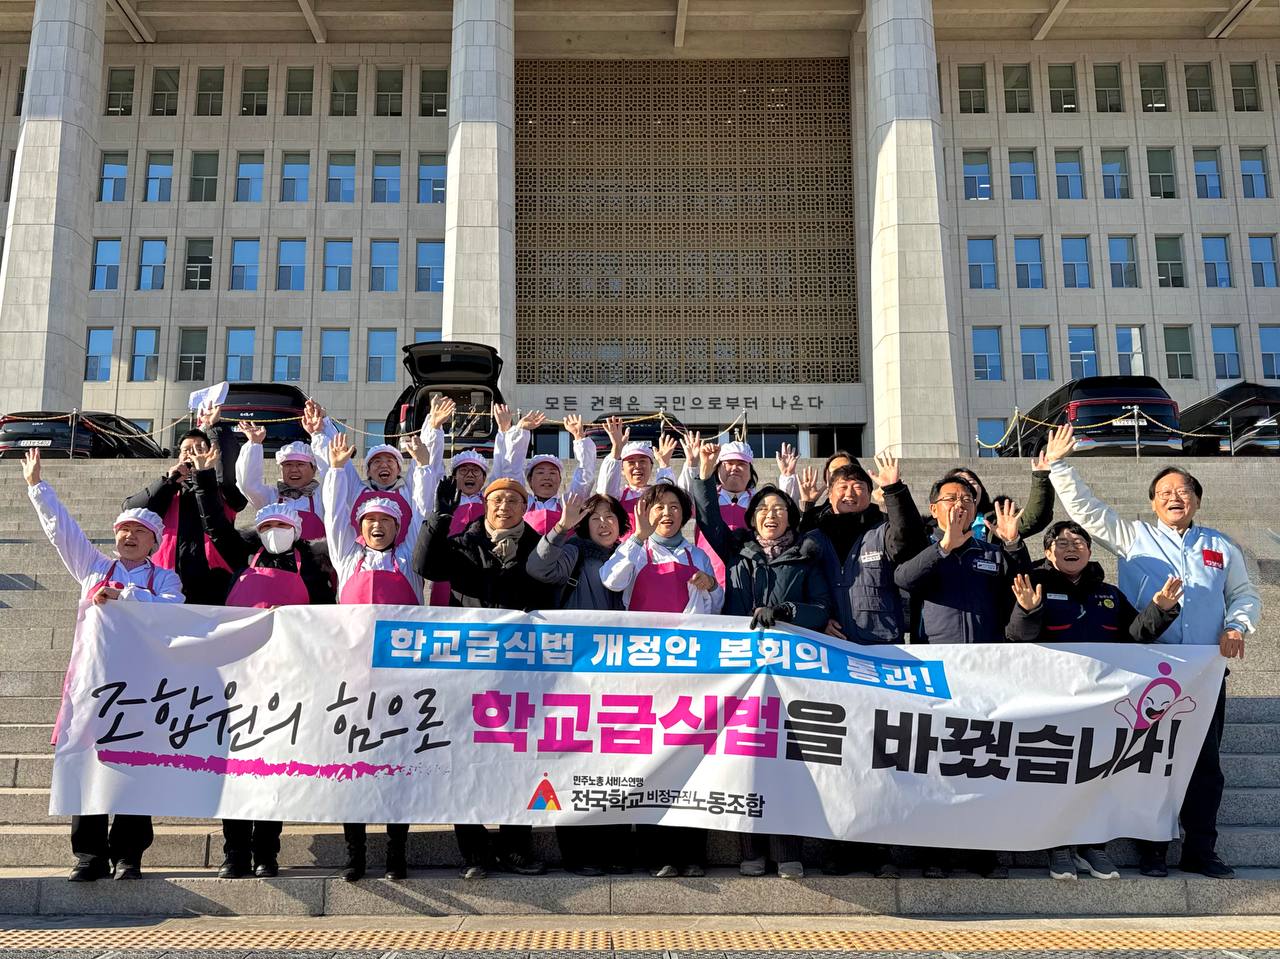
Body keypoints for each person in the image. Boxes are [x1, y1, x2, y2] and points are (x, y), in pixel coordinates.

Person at [1043, 423, 1261, 879]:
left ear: (1196, 500)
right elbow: (1086, 510)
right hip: (1149, 673)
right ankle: (1153, 851)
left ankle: (1201, 850)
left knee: (1204, 766)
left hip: (1203, 674)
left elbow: (1243, 595)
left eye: (1182, 491)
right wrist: (1059, 466)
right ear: (1153, 503)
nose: (1174, 497)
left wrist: (1237, 626)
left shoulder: (1220, 546)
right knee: (1151, 763)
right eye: (1164, 493)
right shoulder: (1133, 537)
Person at [23, 450, 183, 882]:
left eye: (139, 532)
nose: (130, 536)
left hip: (142, 688)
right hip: (92, 684)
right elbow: (62, 531)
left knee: (136, 767)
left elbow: (173, 612)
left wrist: (125, 597)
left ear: (154, 543)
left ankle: (129, 854)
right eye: (124, 529)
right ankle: (89, 855)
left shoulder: (165, 579)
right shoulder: (93, 567)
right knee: (87, 765)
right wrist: (38, 486)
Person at [1007, 520, 1185, 882]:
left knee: (1098, 774)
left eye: (1079, 542)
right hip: (1053, 703)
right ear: (1048, 552)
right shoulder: (1034, 588)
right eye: (1061, 542)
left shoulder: (1109, 594)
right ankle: (1059, 846)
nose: (1071, 547)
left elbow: (1135, 637)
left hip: (1103, 705)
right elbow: (1017, 640)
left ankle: (1093, 847)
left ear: (1089, 551)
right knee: (1056, 774)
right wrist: (1027, 610)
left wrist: (1161, 608)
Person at [691, 441, 834, 879]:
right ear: (752, 518)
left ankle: (787, 851)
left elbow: (821, 610)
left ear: (791, 517)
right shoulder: (738, 552)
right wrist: (704, 476)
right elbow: (708, 518)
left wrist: (787, 612)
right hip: (742, 672)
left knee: (786, 763)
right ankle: (750, 850)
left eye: (780, 509)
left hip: (789, 675)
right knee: (744, 761)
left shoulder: (805, 558)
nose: (772, 515)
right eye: (764, 510)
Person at [416, 475, 556, 878]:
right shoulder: (464, 543)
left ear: (525, 508)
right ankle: (474, 852)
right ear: (485, 505)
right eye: (497, 500)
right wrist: (440, 518)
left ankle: (516, 848)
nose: (504, 507)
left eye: (513, 501)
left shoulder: (539, 547)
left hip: (522, 673)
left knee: (519, 763)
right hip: (469, 671)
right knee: (465, 761)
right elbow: (425, 566)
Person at [796, 453, 926, 878]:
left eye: (858, 486)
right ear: (830, 494)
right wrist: (818, 622)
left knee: (878, 757)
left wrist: (895, 490)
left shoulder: (881, 530)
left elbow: (909, 542)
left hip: (878, 656)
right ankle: (837, 848)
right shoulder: (815, 536)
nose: (850, 492)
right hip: (828, 657)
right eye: (842, 486)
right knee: (836, 757)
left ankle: (880, 850)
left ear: (870, 493)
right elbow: (796, 575)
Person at [894, 479, 1029, 878]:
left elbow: (1023, 589)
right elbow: (904, 579)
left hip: (987, 672)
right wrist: (944, 547)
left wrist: (1012, 545)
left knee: (982, 761)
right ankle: (935, 854)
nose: (960, 504)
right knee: (936, 763)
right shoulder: (925, 549)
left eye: (967, 499)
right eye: (951, 499)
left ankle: (983, 851)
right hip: (937, 671)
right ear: (935, 508)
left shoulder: (990, 552)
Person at [600, 480, 722, 877]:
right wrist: (636, 538)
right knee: (648, 762)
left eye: (673, 506)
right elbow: (612, 580)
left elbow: (715, 608)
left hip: (690, 673)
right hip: (644, 671)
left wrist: (711, 586)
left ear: (684, 513)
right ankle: (657, 854)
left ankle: (693, 853)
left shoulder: (697, 555)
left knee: (691, 761)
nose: (666, 513)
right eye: (658, 506)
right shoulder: (635, 549)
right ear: (645, 513)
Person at [525, 490, 633, 874]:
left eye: (610, 516)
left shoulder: (632, 554)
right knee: (574, 765)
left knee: (618, 765)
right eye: (595, 518)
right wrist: (560, 528)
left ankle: (616, 849)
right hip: (574, 676)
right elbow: (538, 568)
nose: (604, 523)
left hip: (623, 678)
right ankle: (578, 853)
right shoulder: (574, 552)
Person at [122, 404, 246, 604]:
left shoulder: (221, 490)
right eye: (186, 450)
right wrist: (168, 483)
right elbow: (131, 510)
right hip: (168, 577)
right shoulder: (168, 490)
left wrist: (215, 428)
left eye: (199, 449)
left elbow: (229, 468)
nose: (192, 454)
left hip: (215, 577)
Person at [677, 434, 758, 588]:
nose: (734, 468)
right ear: (718, 468)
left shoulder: (760, 501)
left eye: (741, 464)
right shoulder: (705, 496)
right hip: (707, 579)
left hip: (749, 580)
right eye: (728, 463)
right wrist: (692, 463)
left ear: (750, 471)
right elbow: (684, 498)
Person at [233, 420, 328, 540]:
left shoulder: (323, 497)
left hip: (315, 552)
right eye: (288, 464)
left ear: (313, 469)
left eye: (300, 464)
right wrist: (255, 444)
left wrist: (319, 434)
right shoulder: (271, 497)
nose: (294, 469)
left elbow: (334, 474)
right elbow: (248, 485)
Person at [507, 413, 598, 535]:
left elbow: (584, 478)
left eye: (552, 473)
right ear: (530, 480)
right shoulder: (522, 504)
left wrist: (579, 437)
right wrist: (521, 431)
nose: (547, 477)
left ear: (560, 480)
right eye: (540, 472)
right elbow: (512, 471)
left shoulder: (568, 504)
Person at [595, 416, 677, 536]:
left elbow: (668, 497)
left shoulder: (657, 494)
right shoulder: (618, 496)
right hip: (627, 547)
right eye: (631, 462)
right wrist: (616, 450)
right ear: (622, 469)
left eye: (643, 461)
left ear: (651, 467)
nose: (637, 466)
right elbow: (605, 492)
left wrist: (664, 465)